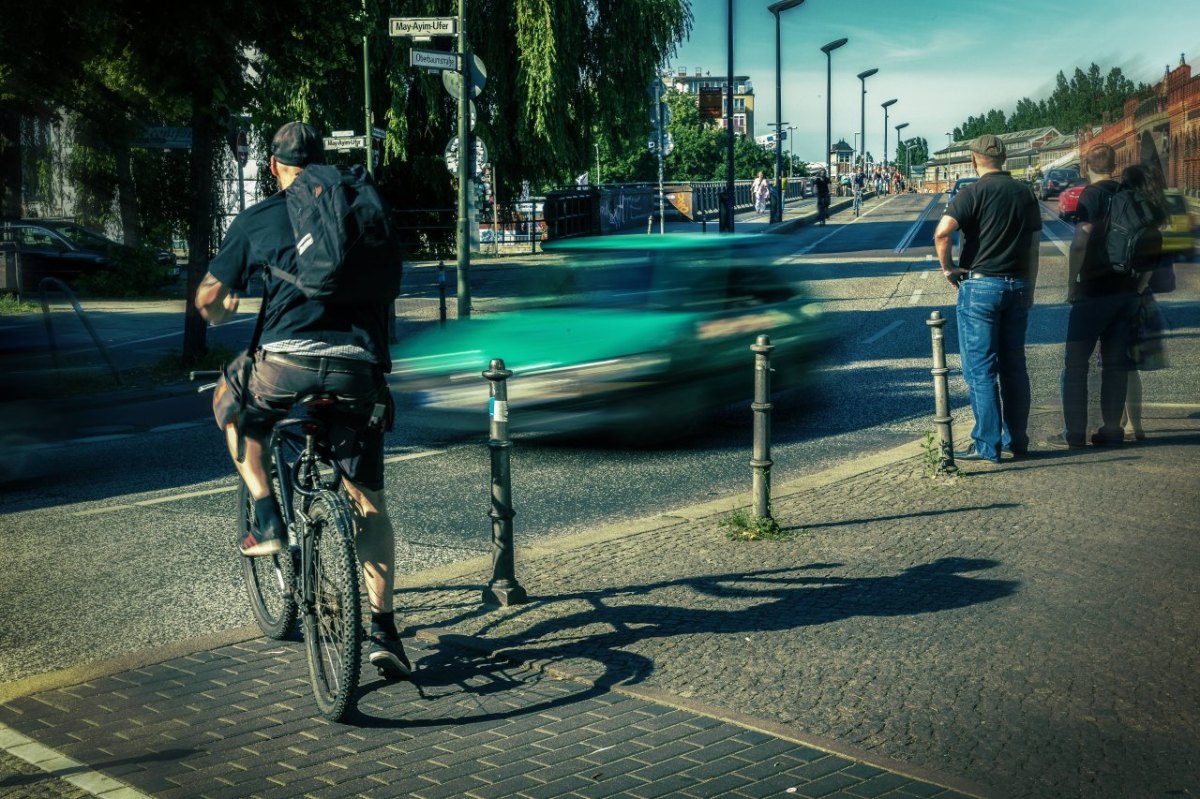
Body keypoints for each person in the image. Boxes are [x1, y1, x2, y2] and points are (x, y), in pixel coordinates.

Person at [194, 121, 411, 679]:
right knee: (370, 505)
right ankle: (385, 631)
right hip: (358, 368)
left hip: (284, 367)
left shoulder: (261, 218)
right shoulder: (360, 210)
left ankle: (266, 514)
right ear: (323, 163)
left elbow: (211, 301)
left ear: (274, 166)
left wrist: (221, 309)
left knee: (231, 400)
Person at [933, 134, 1041, 463]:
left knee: (981, 370)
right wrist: (1030, 288)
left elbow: (942, 232)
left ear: (974, 159)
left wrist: (949, 268)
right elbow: (1034, 247)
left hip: (980, 288)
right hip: (1018, 286)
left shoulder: (972, 192)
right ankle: (1017, 439)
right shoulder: (1025, 193)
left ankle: (987, 444)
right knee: (1014, 368)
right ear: (1005, 158)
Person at [1050, 143, 1145, 449]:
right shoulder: (1129, 194)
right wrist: (1139, 286)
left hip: (1094, 290)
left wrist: (1071, 283)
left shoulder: (1090, 195)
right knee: (1116, 365)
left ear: (1085, 166)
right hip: (1126, 291)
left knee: (1076, 364)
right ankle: (1111, 429)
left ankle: (1075, 432)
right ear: (1115, 164)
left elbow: (1080, 241)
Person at [1114, 163, 1170, 441]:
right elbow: (1150, 264)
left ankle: (1134, 425)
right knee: (1129, 365)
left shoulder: (1122, 212)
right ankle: (1126, 422)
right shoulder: (1152, 218)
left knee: (1124, 367)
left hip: (1125, 295)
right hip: (1142, 297)